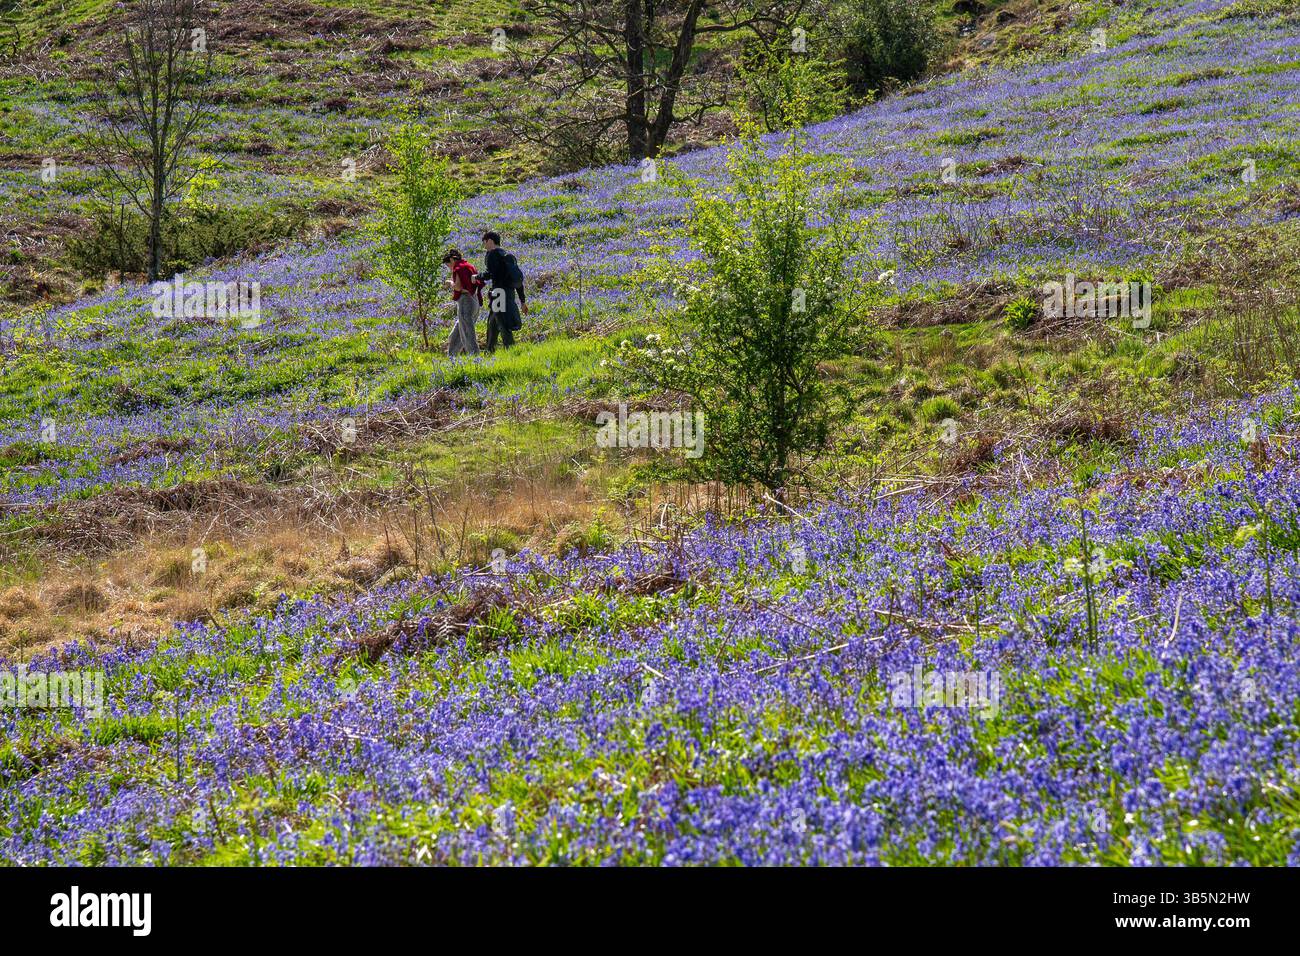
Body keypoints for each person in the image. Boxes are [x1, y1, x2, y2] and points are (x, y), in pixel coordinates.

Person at [480, 231, 527, 352]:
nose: (484, 246)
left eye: (485, 243)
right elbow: (517, 279)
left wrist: (477, 277)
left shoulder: (492, 254)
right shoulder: (506, 255)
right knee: (492, 322)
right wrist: (522, 301)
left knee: (502, 323)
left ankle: (511, 350)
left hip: (498, 293)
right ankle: (489, 350)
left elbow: (490, 274)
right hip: (508, 293)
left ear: (490, 241)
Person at [443, 248, 481, 357]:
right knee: (459, 332)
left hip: (465, 301)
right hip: (474, 300)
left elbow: (458, 287)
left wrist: (450, 283)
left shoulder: (458, 268)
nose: (449, 268)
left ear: (451, 259)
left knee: (468, 333)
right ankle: (452, 358)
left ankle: (475, 359)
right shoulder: (469, 266)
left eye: (448, 265)